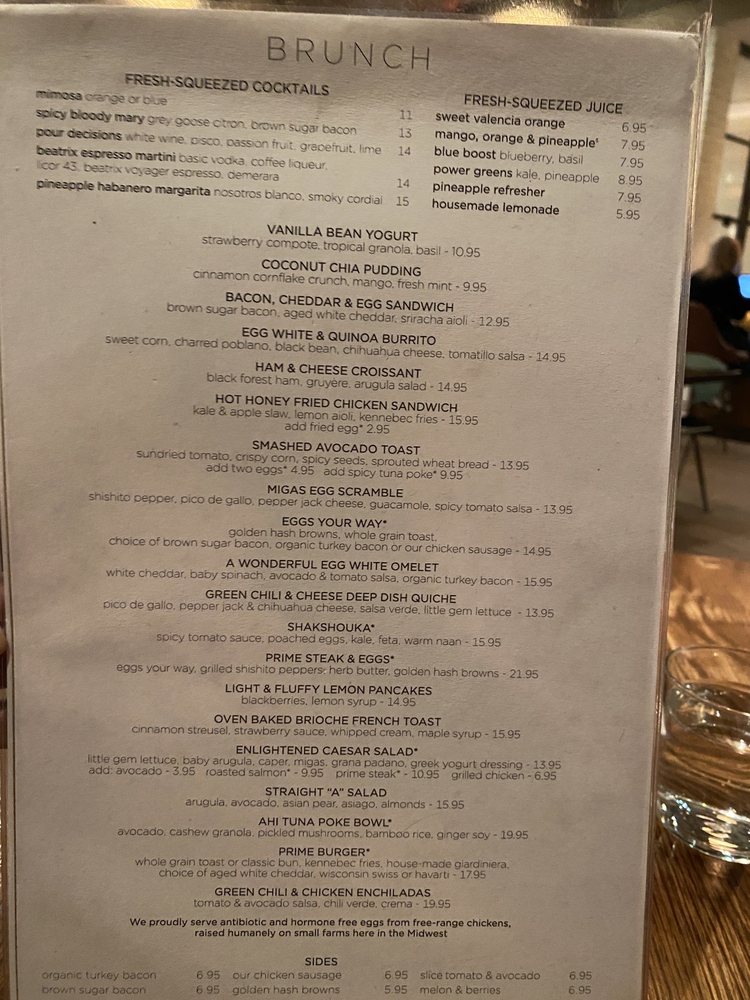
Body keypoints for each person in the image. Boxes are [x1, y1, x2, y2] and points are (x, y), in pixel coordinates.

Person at [690, 236, 750, 352]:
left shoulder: (695, 278)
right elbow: (738, 314)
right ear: (733, 257)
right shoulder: (728, 281)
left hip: (695, 339)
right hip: (719, 341)